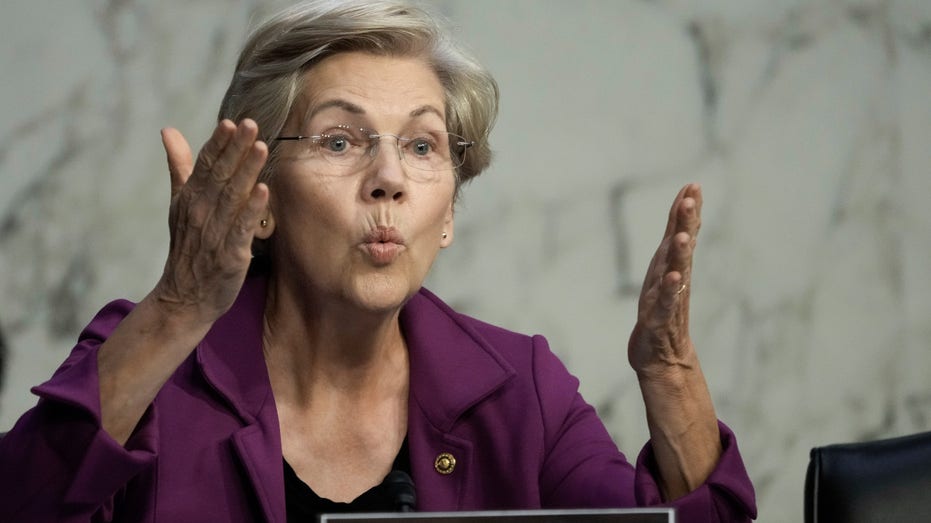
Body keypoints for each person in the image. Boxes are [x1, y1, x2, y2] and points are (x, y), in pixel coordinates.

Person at [0, 1, 756, 521]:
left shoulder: (517, 391)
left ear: (450, 209)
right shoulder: (156, 363)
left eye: (423, 146)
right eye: (340, 140)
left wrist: (668, 372)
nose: (389, 178)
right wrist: (176, 309)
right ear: (256, 196)